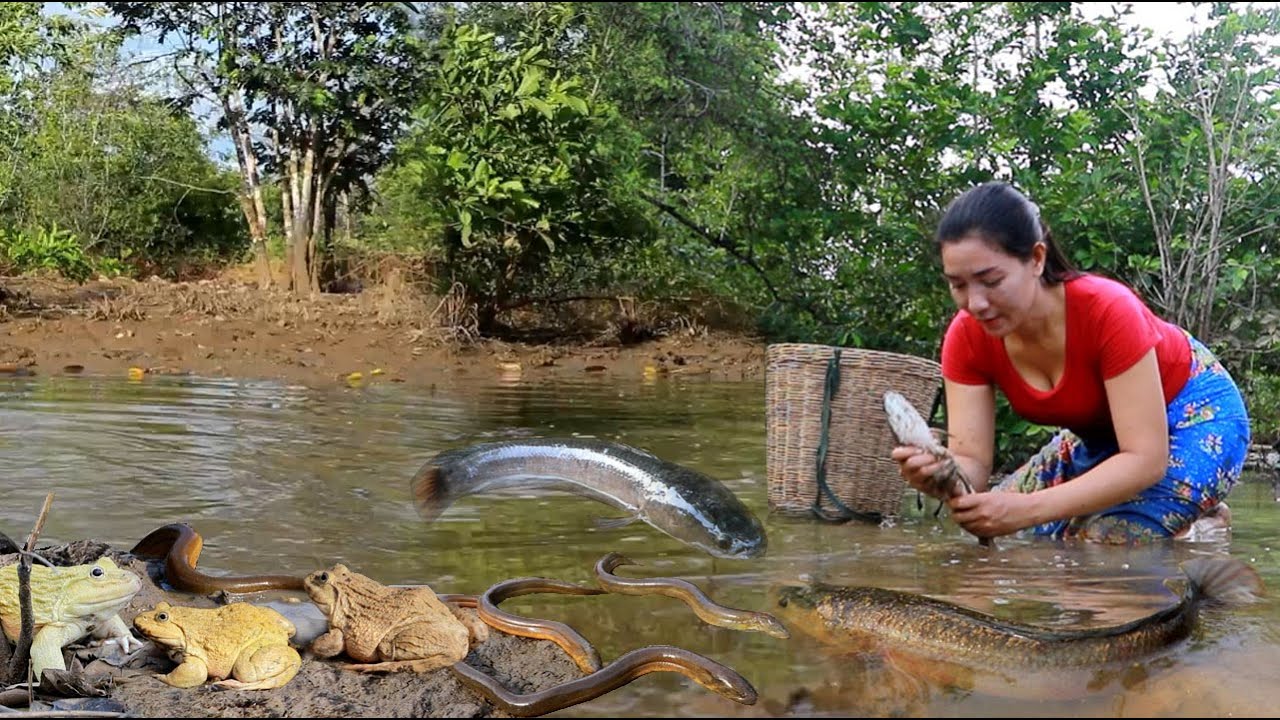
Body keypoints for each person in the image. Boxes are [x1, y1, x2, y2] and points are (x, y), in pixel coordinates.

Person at [891, 181, 1251, 544]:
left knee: (1106, 541)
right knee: (998, 534)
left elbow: (1145, 458)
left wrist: (1027, 509)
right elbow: (973, 466)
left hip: (1194, 416)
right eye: (958, 285)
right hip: (1102, 438)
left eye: (991, 281)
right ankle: (1179, 517)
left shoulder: (1108, 310)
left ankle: (1198, 527)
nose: (976, 303)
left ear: (1036, 259)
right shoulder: (967, 337)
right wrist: (940, 474)